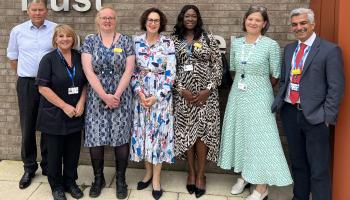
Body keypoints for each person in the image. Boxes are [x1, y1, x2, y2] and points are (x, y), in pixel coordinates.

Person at [217, 5, 293, 200]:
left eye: (258, 20)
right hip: (238, 95)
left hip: (260, 96)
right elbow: (234, 69)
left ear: (264, 24)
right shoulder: (238, 43)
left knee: (262, 138)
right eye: (250, 19)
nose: (253, 22)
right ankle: (245, 176)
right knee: (242, 134)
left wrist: (259, 88)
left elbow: (275, 75)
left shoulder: (270, 45)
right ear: (245, 21)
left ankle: (262, 187)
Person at [272, 8, 344, 200]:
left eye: (303, 23)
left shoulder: (330, 50)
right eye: (295, 24)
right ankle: (300, 197)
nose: (299, 27)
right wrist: (280, 102)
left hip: (315, 117)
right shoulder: (289, 49)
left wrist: (326, 116)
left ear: (313, 24)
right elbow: (286, 80)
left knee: (319, 167)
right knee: (297, 162)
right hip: (289, 112)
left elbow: (336, 87)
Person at [81, 6, 135, 199]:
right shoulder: (89, 41)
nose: (107, 21)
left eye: (111, 18)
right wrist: (105, 96)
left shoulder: (126, 41)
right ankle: (98, 179)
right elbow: (88, 71)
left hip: (122, 97)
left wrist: (116, 95)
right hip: (97, 98)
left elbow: (129, 70)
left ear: (116, 20)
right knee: (96, 138)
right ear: (98, 20)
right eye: (104, 17)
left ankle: (121, 179)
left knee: (121, 138)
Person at [172, 4, 222, 198]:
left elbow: (217, 66)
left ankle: (201, 174)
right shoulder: (173, 40)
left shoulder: (208, 38)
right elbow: (169, 67)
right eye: (187, 15)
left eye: (193, 16)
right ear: (182, 18)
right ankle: (190, 172)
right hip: (183, 96)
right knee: (186, 133)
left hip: (206, 97)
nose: (190, 18)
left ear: (198, 18)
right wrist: (181, 89)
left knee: (203, 134)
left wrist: (207, 90)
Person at [6, 0, 56, 189]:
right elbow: (13, 57)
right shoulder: (18, 31)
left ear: (46, 10)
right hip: (27, 83)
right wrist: (26, 75)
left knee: (48, 125)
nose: (37, 12)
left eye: (40, 9)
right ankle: (29, 167)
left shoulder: (55, 29)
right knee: (27, 125)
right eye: (34, 9)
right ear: (28, 11)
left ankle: (47, 164)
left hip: (50, 85)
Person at [130, 7, 176, 200]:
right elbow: (130, 71)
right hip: (140, 98)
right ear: (145, 21)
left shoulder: (168, 43)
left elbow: (171, 73)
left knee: (158, 138)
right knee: (142, 136)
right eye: (150, 19)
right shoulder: (135, 41)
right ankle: (147, 173)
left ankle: (156, 178)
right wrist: (140, 93)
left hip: (160, 100)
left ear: (161, 23)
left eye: (156, 20)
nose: (153, 23)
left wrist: (157, 96)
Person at [36, 24, 86, 200]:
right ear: (55, 39)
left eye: (68, 36)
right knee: (55, 154)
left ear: (73, 39)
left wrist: (81, 103)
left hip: (75, 114)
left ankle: (70, 182)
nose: (65, 39)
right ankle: (56, 186)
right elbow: (43, 88)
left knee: (73, 152)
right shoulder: (48, 59)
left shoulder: (79, 57)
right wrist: (64, 106)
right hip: (54, 115)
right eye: (61, 36)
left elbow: (85, 84)